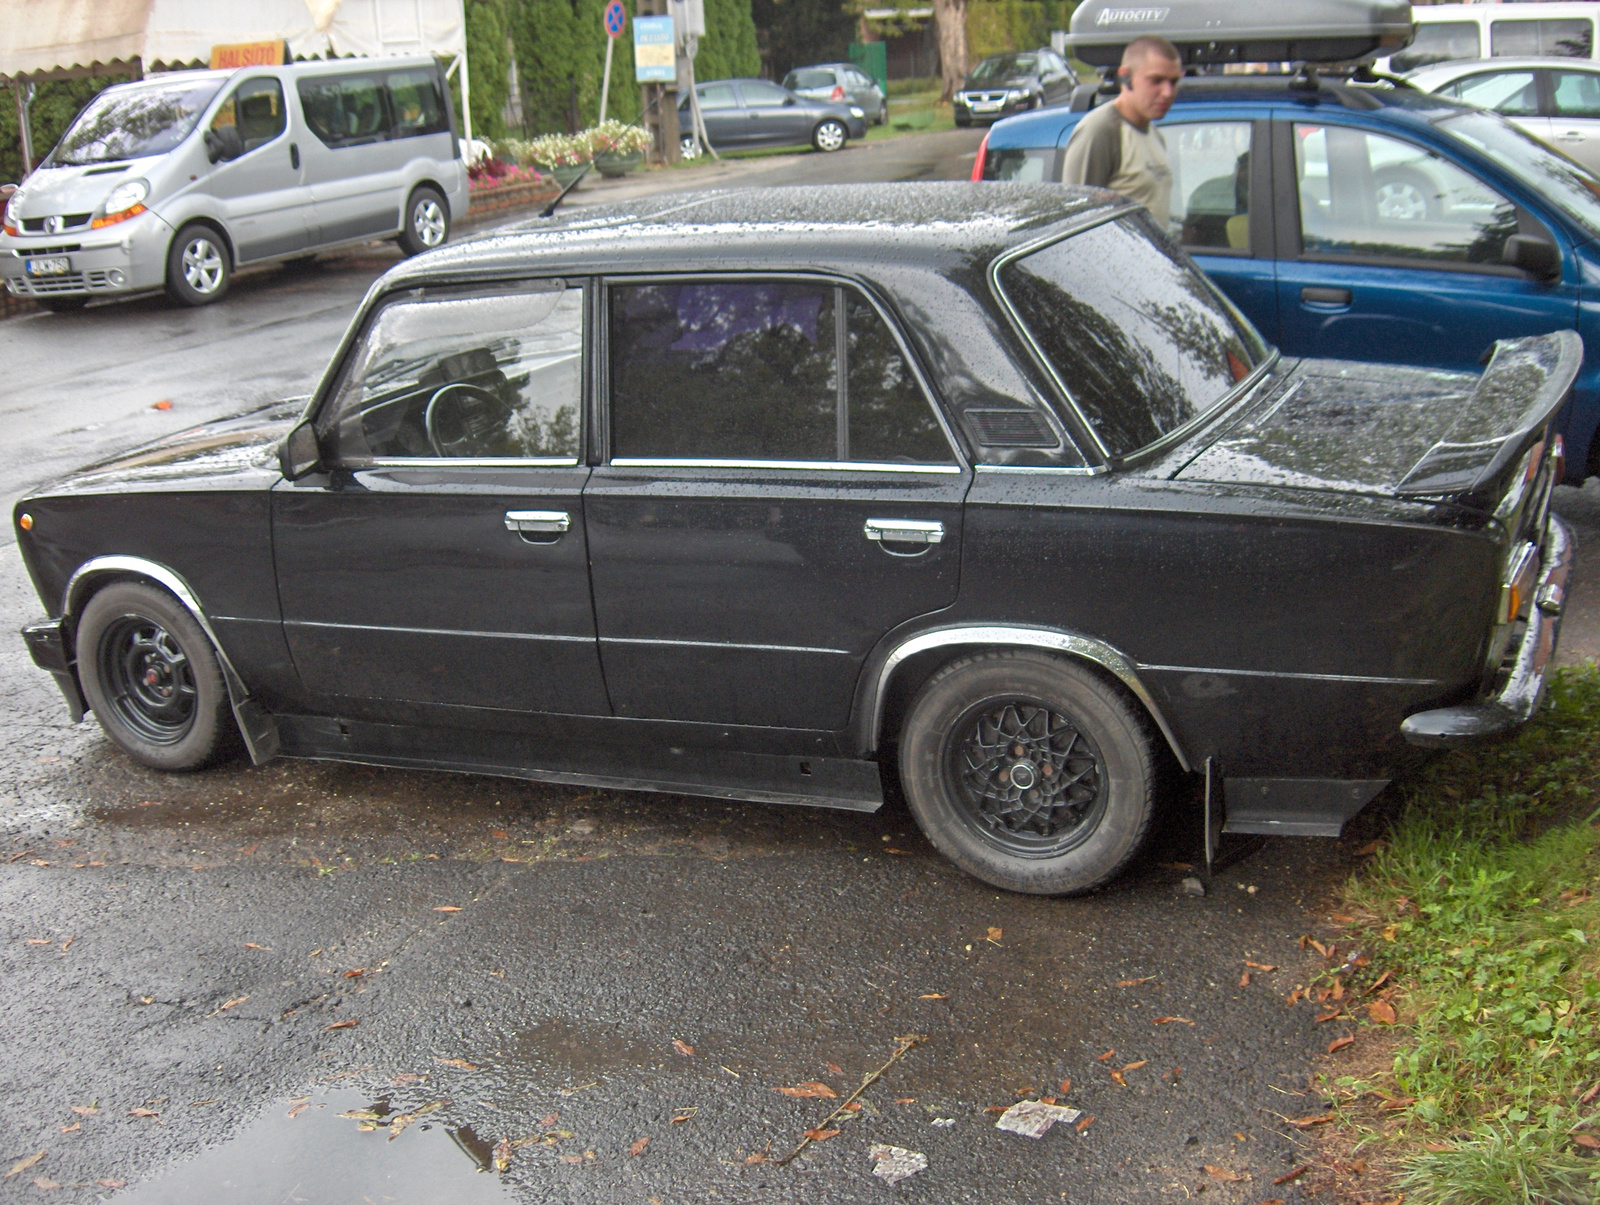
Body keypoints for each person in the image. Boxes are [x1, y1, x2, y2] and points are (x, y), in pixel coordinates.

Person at [1060, 35, 1183, 226]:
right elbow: (1075, 222)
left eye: (1173, 82)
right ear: (1125, 77)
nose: (1167, 92)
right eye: (1156, 80)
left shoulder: (1155, 135)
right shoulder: (1100, 131)